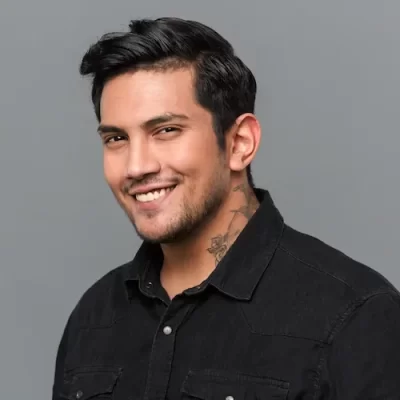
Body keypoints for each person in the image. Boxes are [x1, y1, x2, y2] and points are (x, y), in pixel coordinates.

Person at [52, 17, 400, 400]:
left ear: (239, 143)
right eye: (117, 138)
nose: (136, 166)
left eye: (166, 130)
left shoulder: (355, 315)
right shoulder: (94, 317)